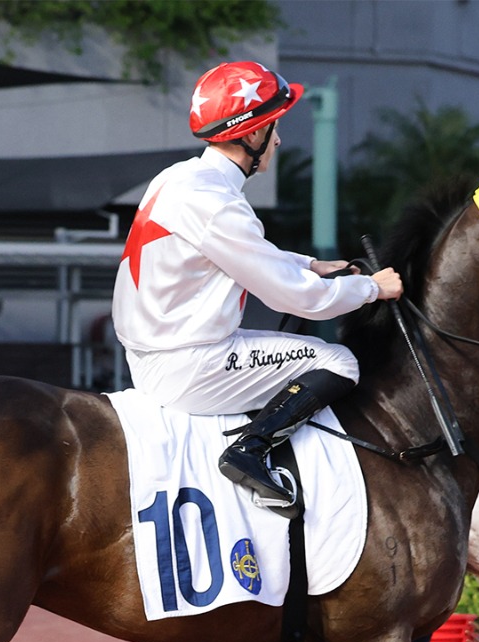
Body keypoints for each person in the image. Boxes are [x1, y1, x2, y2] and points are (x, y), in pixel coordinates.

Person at [112, 60, 404, 507]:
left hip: (158, 353)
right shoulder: (218, 204)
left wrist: (310, 263)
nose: (279, 139)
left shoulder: (179, 178)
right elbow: (301, 300)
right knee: (340, 362)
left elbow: (236, 255)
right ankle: (250, 452)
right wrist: (373, 289)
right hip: (190, 364)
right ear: (251, 135)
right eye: (274, 126)